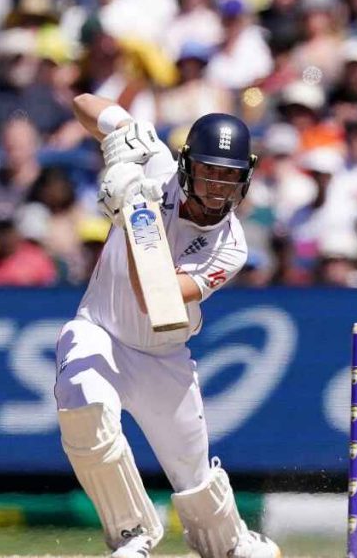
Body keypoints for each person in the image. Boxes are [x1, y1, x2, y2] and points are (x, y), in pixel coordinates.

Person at [55, 94, 281, 558]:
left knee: (193, 476)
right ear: (186, 166)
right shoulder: (155, 164)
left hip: (164, 356)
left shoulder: (232, 246)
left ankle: (232, 542)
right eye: (209, 172)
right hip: (100, 329)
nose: (218, 187)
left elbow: (159, 297)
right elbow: (82, 103)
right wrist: (119, 130)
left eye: (229, 177)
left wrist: (134, 214)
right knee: (83, 407)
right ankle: (131, 535)